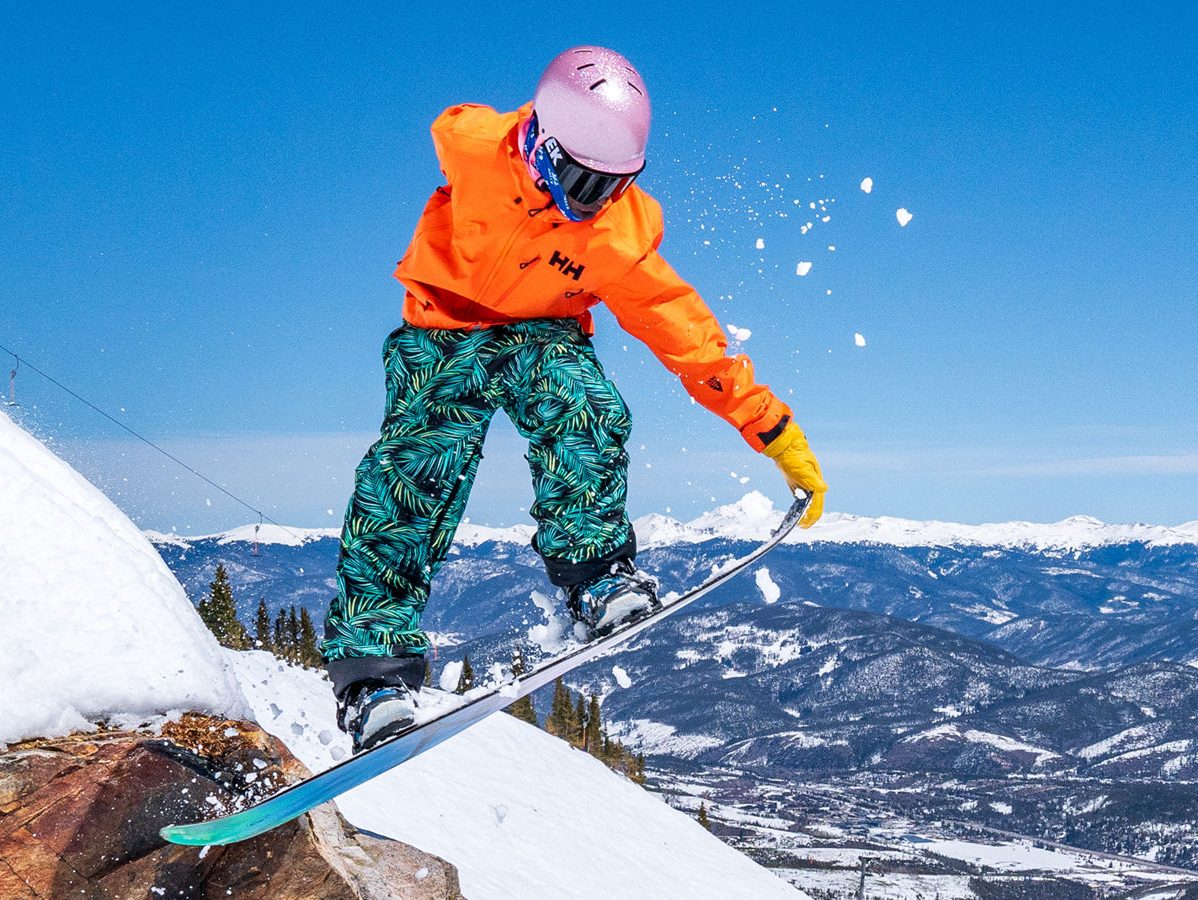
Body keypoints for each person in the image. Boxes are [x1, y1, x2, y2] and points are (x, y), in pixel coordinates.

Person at [320, 45, 827, 749]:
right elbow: (454, 127)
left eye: (610, 185)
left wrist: (772, 429)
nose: (590, 200)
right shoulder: (476, 148)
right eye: (578, 178)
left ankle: (596, 576)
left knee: (588, 408)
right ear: (539, 141)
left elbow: (687, 333)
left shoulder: (617, 235)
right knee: (414, 468)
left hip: (544, 333)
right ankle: (372, 667)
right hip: (442, 328)